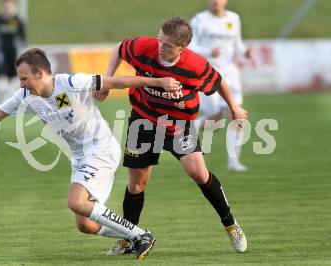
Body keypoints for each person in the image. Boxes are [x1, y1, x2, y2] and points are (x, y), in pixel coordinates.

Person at [0, 48, 182, 260]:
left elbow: (116, 82)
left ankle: (140, 235)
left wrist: (158, 82)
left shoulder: (71, 83)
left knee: (76, 202)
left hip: (100, 147)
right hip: (79, 155)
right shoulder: (26, 95)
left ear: (41, 73)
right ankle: (133, 236)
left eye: (24, 78)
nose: (21, 83)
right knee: (85, 224)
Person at [96, 16, 248, 255]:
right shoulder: (144, 47)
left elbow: (218, 81)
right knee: (136, 183)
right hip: (144, 121)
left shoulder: (194, 65)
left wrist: (234, 108)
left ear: (182, 47)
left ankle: (230, 223)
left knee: (198, 172)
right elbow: (119, 47)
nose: (160, 46)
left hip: (179, 125)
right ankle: (130, 237)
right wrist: (107, 78)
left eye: (167, 44)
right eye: (159, 40)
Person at [190, 0, 254, 172]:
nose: (215, 1)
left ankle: (234, 162)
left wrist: (245, 52)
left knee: (237, 114)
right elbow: (190, 45)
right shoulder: (199, 19)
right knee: (215, 120)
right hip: (206, 73)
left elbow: (237, 45)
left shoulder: (234, 18)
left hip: (230, 75)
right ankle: (189, 127)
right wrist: (208, 52)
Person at [0, 0, 26, 108]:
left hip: (14, 55)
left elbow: (23, 39)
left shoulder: (17, 21)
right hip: (0, 54)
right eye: (6, 4)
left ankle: (5, 103)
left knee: (13, 81)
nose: (8, 6)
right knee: (1, 80)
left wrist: (23, 54)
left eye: (10, 4)